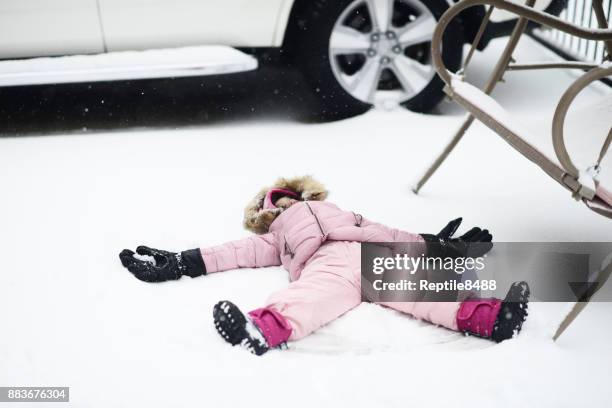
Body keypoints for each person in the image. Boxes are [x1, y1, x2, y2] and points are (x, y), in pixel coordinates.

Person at [119, 176, 529, 356]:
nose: (285, 203)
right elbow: (236, 251)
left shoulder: (344, 213)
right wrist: (181, 262)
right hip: (324, 266)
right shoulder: (278, 235)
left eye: (288, 196)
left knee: (422, 288)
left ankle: (492, 317)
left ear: (302, 194)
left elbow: (386, 231)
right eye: (274, 202)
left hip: (373, 256)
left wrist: (440, 245)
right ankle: (260, 330)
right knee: (305, 299)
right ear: (266, 214)